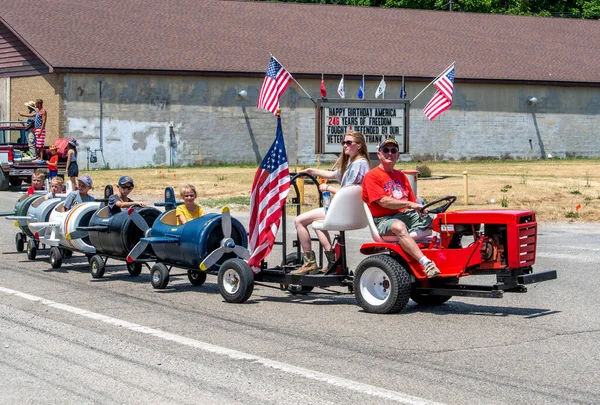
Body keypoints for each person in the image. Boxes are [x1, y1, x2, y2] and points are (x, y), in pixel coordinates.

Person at [290, 130, 371, 275]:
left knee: (299, 221)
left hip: (344, 211)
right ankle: (332, 261)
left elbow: (349, 191)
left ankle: (309, 262)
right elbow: (333, 174)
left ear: (359, 145)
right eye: (343, 143)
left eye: (348, 142)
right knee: (318, 223)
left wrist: (327, 188)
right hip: (348, 211)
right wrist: (311, 171)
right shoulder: (355, 163)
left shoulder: (359, 164)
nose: (345, 146)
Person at [362, 138, 440, 278]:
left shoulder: (401, 176)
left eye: (393, 150)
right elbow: (383, 202)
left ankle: (448, 257)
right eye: (385, 150)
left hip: (407, 215)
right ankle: (426, 263)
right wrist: (410, 205)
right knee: (399, 226)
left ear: (398, 155)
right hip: (384, 219)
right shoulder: (372, 176)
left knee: (440, 222)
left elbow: (413, 203)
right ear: (379, 154)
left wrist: (422, 209)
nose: (389, 153)